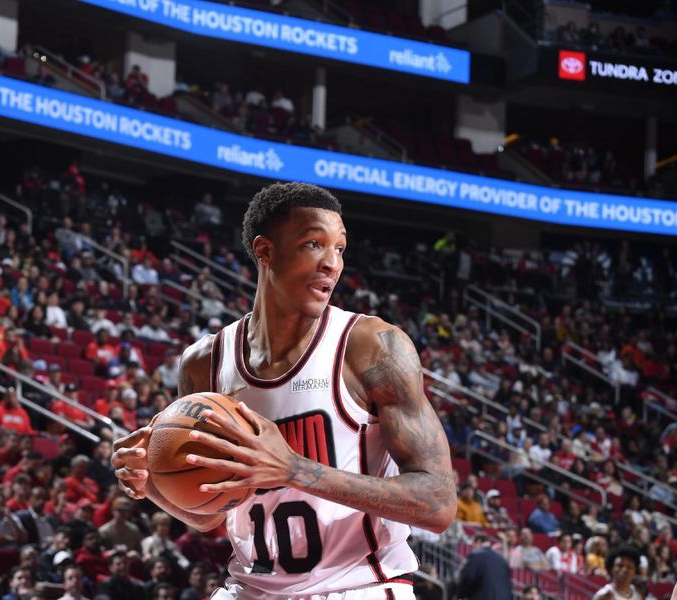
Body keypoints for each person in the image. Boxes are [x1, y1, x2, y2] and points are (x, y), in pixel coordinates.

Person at [112, 182, 456, 598]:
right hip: (251, 587)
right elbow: (208, 513)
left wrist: (295, 470)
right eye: (314, 244)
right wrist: (152, 482)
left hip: (358, 585)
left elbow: (438, 503)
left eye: (340, 249)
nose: (332, 263)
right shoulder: (205, 361)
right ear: (265, 251)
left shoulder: (371, 345)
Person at [456, 533, 512, 600]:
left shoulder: (476, 555)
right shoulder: (501, 559)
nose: (472, 547)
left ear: (478, 541)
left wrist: (460, 594)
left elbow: (468, 577)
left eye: (473, 544)